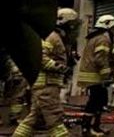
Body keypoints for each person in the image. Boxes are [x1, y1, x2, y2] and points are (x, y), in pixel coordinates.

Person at [12, 8, 81, 137]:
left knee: (34, 118)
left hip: (45, 83)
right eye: (74, 24)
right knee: (55, 118)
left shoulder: (56, 36)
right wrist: (60, 68)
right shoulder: (52, 36)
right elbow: (40, 57)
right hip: (46, 84)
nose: (75, 28)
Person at [77, 14, 114, 137]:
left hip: (92, 75)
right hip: (95, 76)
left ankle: (96, 127)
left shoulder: (94, 38)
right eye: (113, 27)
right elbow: (100, 59)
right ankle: (87, 129)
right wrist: (107, 75)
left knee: (100, 101)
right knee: (94, 102)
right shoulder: (103, 39)